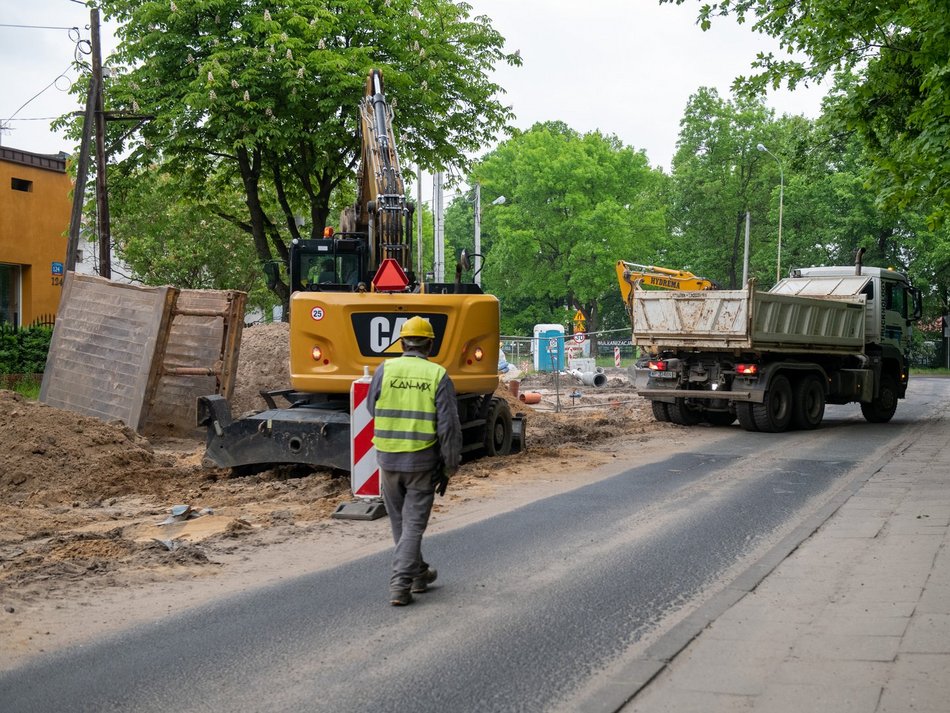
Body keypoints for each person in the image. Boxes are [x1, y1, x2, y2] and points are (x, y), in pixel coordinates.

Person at [367, 316, 462, 606]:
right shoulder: (437, 375)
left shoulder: (385, 369)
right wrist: (449, 465)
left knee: (400, 523)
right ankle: (400, 583)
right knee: (413, 526)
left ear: (402, 343)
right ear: (430, 344)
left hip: (388, 458)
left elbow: (372, 407)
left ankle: (419, 574)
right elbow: (448, 427)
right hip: (421, 462)